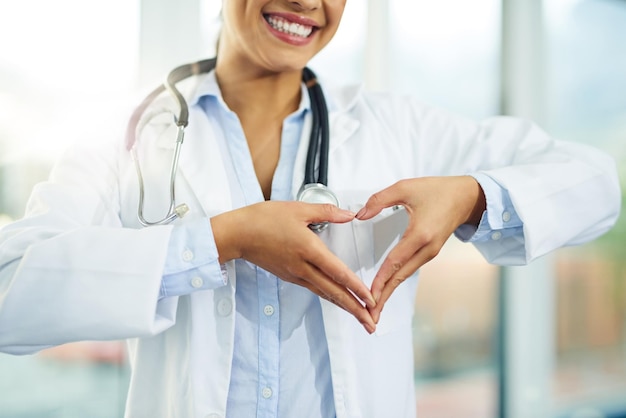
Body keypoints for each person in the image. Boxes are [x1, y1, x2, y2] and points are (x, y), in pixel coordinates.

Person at [0, 1, 621, 417]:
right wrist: (221, 240)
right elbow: (11, 293)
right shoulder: (128, 140)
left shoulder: (395, 127)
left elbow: (594, 185)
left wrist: (472, 193)